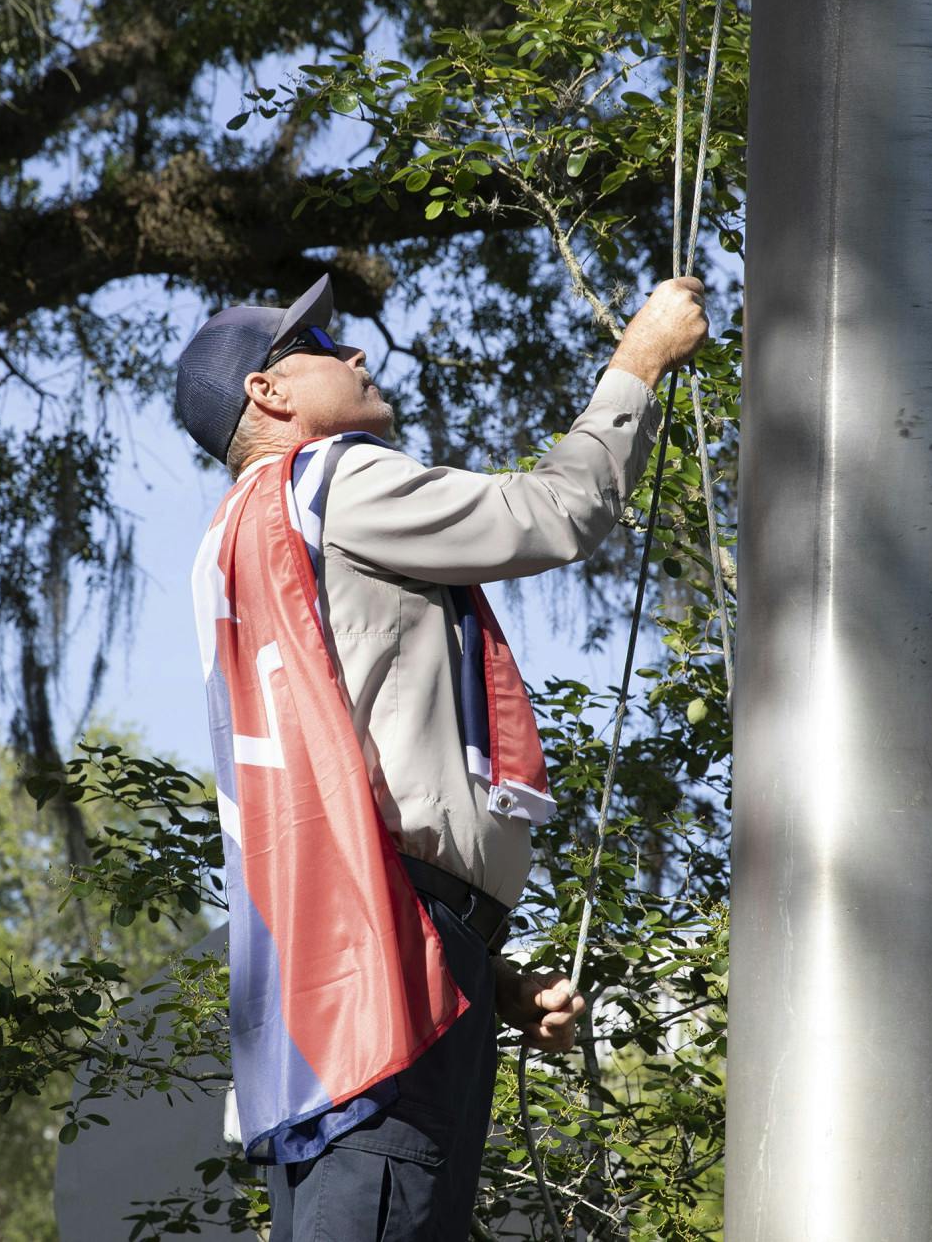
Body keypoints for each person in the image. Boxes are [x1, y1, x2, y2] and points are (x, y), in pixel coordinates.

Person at [177, 272, 709, 1241]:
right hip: (388, 978)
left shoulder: (234, 537)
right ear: (268, 394)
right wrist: (636, 365)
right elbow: (554, 511)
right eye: (324, 347)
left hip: (334, 972)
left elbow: (351, 776)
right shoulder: (332, 478)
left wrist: (487, 977)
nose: (355, 353)